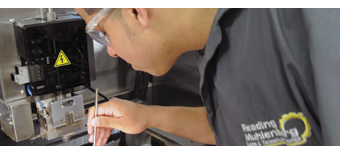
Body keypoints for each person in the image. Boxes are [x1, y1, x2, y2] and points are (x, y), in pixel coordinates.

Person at [75, 8, 340, 146]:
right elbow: (243, 127)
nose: (110, 51)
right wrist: (145, 116)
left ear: (135, 11)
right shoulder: (210, 46)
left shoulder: (310, 22)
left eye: (103, 34)